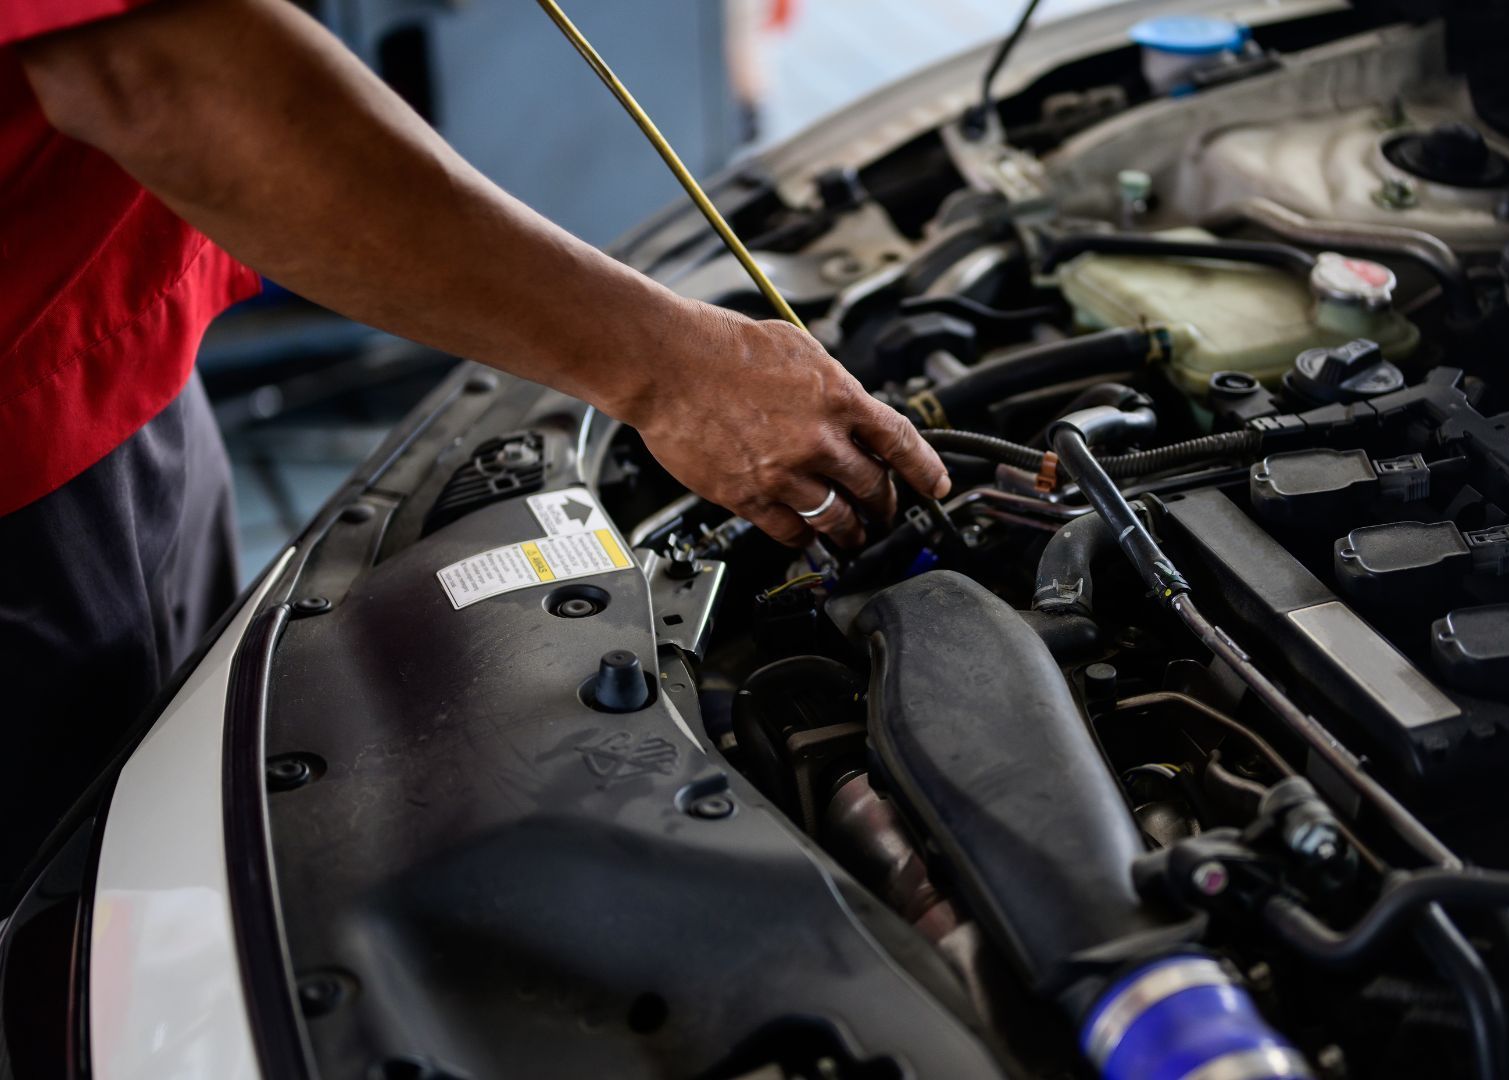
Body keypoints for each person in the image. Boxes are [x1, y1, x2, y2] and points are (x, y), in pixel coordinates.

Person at [0, 0, 948, 888]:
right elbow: (155, 70)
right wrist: (670, 371)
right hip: (20, 470)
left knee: (183, 788)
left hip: (107, 347)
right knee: (69, 880)